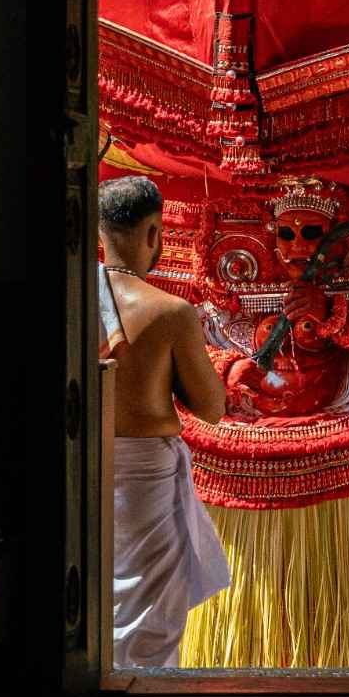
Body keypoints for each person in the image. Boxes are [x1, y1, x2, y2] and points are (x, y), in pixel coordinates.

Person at [99, 175, 230, 669]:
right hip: (142, 487)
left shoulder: (71, 299)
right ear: (155, 233)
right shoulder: (171, 313)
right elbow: (211, 408)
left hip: (81, 465)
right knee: (147, 629)